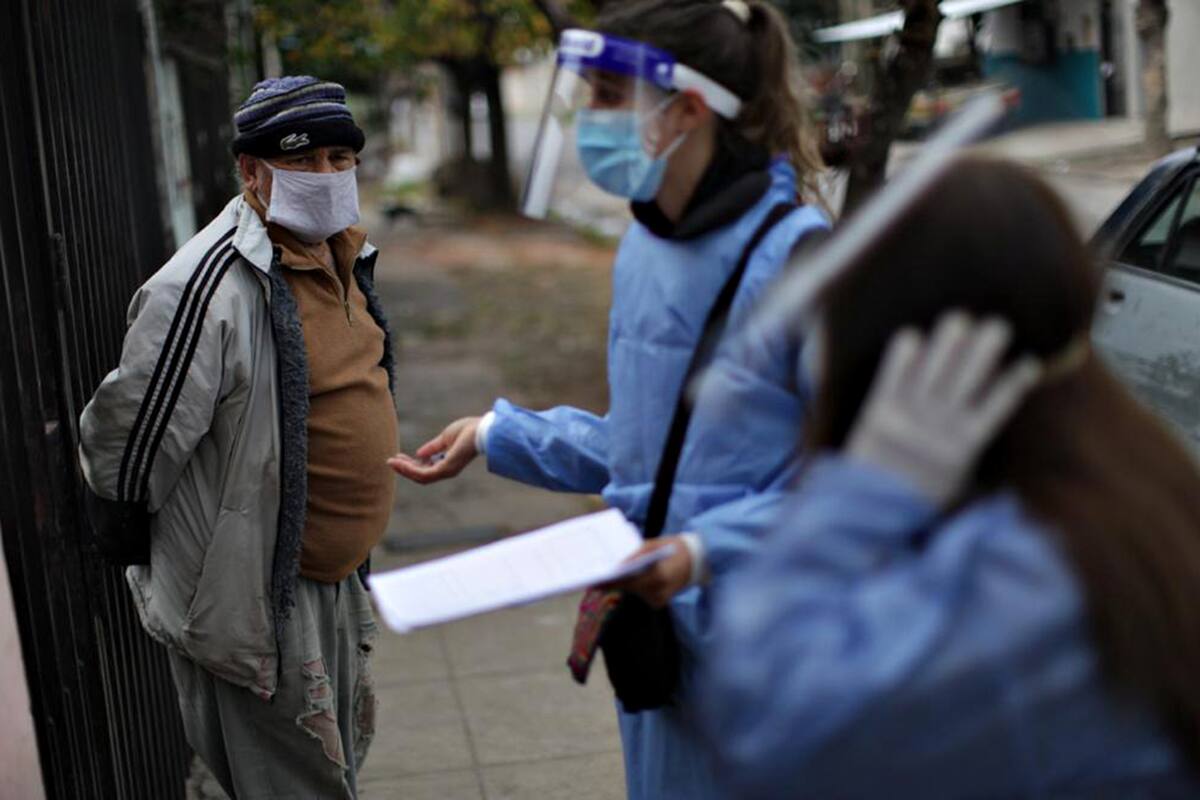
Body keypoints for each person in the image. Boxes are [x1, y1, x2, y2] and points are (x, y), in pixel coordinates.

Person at [389, 1, 827, 797]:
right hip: (660, 646)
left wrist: (700, 553)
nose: (588, 120)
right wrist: (497, 435)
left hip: (771, 661)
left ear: (686, 108)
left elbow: (867, 490)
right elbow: (650, 452)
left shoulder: (798, 263)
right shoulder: (645, 248)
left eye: (605, 98)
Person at [698, 158, 1200, 798]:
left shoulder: (1022, 571)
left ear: (906, 365)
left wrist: (863, 490)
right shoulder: (1141, 481)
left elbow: (766, 726)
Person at [78, 76, 396, 798]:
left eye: (340, 158)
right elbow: (128, 443)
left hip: (333, 581)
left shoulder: (340, 252)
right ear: (250, 172)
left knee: (330, 765)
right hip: (260, 595)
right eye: (302, 160)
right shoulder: (205, 287)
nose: (328, 176)